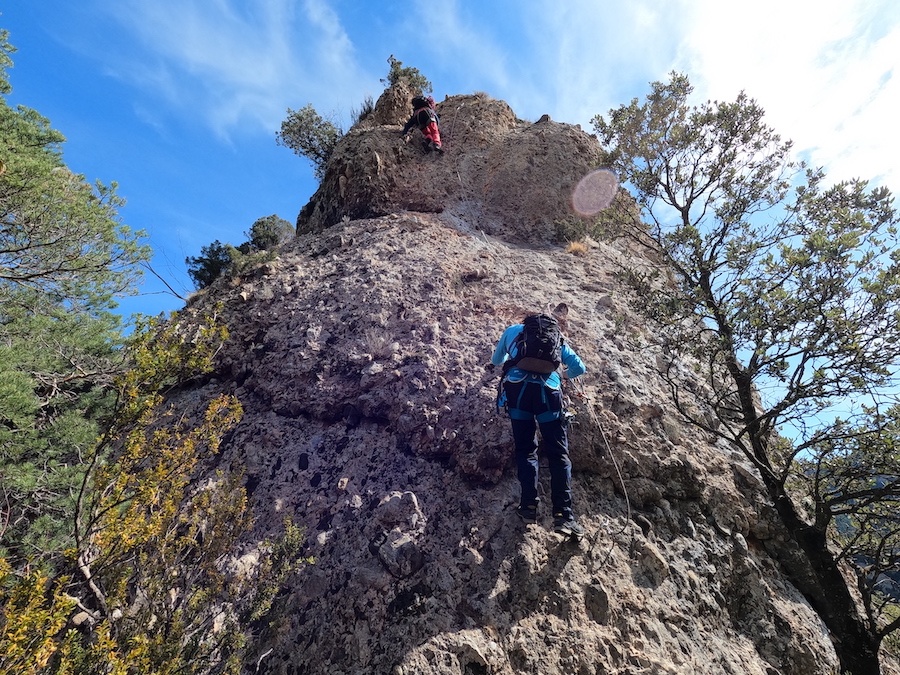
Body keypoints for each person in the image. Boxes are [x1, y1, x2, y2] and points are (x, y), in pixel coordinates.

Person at [491, 307, 586, 538]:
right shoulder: (557, 339)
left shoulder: (513, 331)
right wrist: (561, 376)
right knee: (558, 453)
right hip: (549, 393)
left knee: (526, 450)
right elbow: (579, 368)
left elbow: (496, 360)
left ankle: (528, 508)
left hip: (518, 391)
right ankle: (564, 516)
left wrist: (511, 358)